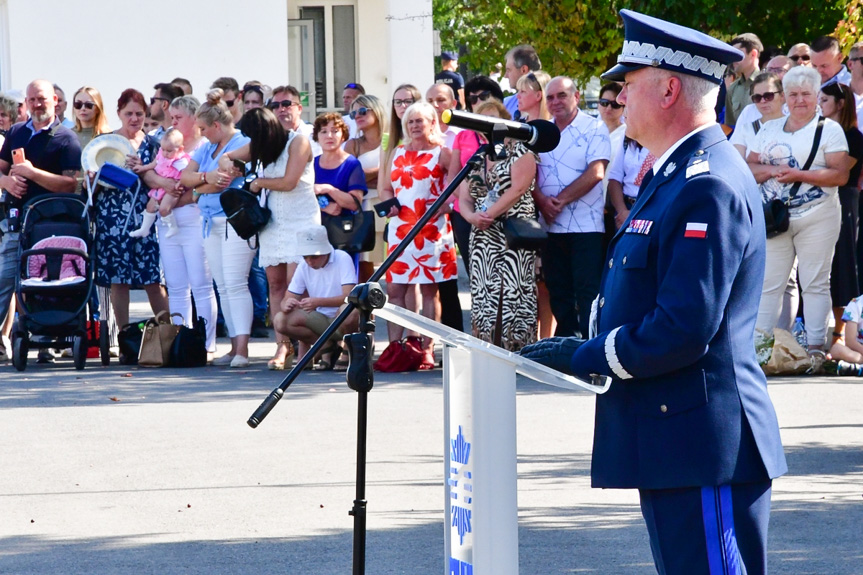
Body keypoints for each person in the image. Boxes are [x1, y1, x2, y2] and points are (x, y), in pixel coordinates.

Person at [522, 11, 788, 574]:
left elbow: (683, 327)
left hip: (703, 445)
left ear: (669, 89)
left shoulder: (706, 183)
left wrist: (586, 354)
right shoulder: (673, 174)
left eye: (627, 84)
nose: (616, 98)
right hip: (677, 438)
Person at [749, 66, 850, 354]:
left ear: (817, 95)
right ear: (784, 97)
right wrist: (773, 170)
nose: (800, 100)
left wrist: (799, 176)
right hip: (775, 218)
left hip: (818, 215)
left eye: (806, 94)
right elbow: (749, 166)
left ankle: (817, 349)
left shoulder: (830, 130)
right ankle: (760, 351)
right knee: (769, 283)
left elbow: (840, 175)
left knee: (815, 283)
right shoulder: (767, 128)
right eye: (793, 94)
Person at [219, 106, 319, 370]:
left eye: (254, 138)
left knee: (297, 286)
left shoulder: (298, 141)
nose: (252, 145)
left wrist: (259, 182)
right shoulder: (260, 144)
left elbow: (289, 181)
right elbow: (225, 156)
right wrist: (232, 165)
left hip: (301, 220)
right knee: (275, 285)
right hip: (274, 222)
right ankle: (282, 345)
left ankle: (306, 347)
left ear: (265, 131)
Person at [0, 80, 82, 363]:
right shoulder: (15, 133)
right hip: (14, 223)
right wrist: (7, 182)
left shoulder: (66, 138)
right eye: (32, 99)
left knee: (42, 283)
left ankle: (44, 342)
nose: (38, 104)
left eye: (43, 99)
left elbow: (71, 184)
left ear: (56, 100)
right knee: (5, 281)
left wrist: (33, 174)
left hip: (51, 225)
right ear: (26, 101)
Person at [378, 101, 457, 369]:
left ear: (432, 123)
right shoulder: (397, 152)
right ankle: (395, 346)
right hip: (401, 229)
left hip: (431, 231)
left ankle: (427, 348)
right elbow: (387, 188)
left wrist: (444, 207)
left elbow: (458, 189)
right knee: (395, 289)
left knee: (429, 291)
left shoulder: (442, 153)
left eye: (420, 121)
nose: (414, 126)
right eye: (410, 121)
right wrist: (390, 204)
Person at [178, 89, 253, 368]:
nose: (202, 133)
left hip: (234, 221)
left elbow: (222, 183)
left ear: (217, 126)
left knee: (235, 283)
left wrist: (200, 188)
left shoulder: (242, 143)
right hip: (211, 222)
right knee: (222, 285)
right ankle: (234, 347)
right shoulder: (207, 147)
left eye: (204, 128)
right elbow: (186, 177)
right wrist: (203, 179)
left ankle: (243, 349)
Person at [534, 76, 610, 339]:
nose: (555, 102)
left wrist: (560, 200)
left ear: (576, 97)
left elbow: (596, 172)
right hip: (550, 226)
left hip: (586, 225)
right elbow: (528, 173)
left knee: (588, 291)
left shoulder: (594, 127)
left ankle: (590, 347)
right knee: (558, 289)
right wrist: (542, 201)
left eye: (562, 95)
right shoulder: (541, 132)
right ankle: (568, 345)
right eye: (551, 97)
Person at [92, 89, 169, 347]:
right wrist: (94, 179)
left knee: (152, 278)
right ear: (119, 114)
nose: (134, 118)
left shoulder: (155, 145)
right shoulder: (104, 143)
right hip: (112, 217)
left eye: (139, 113)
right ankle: (125, 339)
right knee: (118, 279)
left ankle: (167, 335)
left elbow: (162, 179)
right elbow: (92, 184)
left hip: (144, 215)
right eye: (129, 114)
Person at [459, 99, 538, 350]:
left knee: (512, 291)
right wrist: (472, 217)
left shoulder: (520, 151)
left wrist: (489, 213)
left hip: (513, 233)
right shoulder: (478, 157)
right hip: (482, 236)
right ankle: (486, 349)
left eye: (494, 119)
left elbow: (518, 188)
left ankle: (517, 349)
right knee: (484, 294)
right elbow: (463, 198)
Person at [155, 95, 218, 359]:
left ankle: (207, 343)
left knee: (201, 284)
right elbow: (149, 172)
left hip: (193, 219)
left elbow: (202, 186)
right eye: (172, 117)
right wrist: (165, 184)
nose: (173, 121)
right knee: (177, 286)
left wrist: (174, 199)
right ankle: (181, 341)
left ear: (194, 118)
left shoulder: (204, 147)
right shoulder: (167, 142)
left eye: (178, 117)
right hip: (167, 222)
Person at [273, 226, 358, 370]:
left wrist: (318, 302)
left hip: (339, 316)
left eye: (314, 256)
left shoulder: (342, 258)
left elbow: (349, 296)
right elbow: (286, 299)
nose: (309, 261)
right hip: (321, 319)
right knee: (280, 319)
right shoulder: (303, 266)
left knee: (349, 310)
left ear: (326, 251)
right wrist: (287, 304)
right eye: (305, 257)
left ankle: (348, 350)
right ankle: (326, 344)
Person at [820, 81, 863, 343]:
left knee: (844, 265)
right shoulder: (819, 131)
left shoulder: (854, 137)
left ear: (840, 103)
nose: (819, 105)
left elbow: (840, 172)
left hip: (845, 201)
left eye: (824, 100)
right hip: (820, 199)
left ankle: (842, 331)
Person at [312, 112, 368, 266]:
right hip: (316, 234)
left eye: (335, 130)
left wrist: (330, 189)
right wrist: (324, 207)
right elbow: (301, 198)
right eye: (323, 131)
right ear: (317, 136)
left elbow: (355, 203)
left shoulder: (351, 164)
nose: (329, 135)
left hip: (344, 235)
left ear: (343, 136)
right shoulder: (312, 164)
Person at [345, 94, 388, 282]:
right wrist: (382, 170)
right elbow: (347, 177)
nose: (357, 116)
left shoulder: (393, 139)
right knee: (365, 269)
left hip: (390, 205)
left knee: (396, 265)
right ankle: (367, 311)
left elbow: (398, 175)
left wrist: (362, 175)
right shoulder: (352, 144)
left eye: (362, 111)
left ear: (376, 112)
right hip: (363, 208)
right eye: (353, 113)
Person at [129, 128, 190, 239]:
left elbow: (186, 174)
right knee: (150, 206)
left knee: (163, 208)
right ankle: (144, 229)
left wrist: (180, 183)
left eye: (169, 151)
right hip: (161, 187)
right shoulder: (162, 154)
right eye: (163, 149)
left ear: (180, 149)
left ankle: (172, 227)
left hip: (173, 188)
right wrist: (142, 168)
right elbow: (154, 163)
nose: (165, 153)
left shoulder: (180, 160)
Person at [268, 85, 321, 156]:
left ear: (299, 109)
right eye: (275, 105)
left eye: (286, 104)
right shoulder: (268, 137)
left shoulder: (314, 135)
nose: (281, 109)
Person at [724, 33, 762, 128]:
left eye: (739, 53)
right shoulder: (733, 88)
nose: (734, 59)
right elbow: (729, 126)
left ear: (753, 54)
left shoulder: (768, 85)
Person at [502, 44, 542, 119]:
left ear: (524, 70)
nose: (505, 76)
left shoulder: (552, 104)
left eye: (509, 70)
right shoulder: (505, 105)